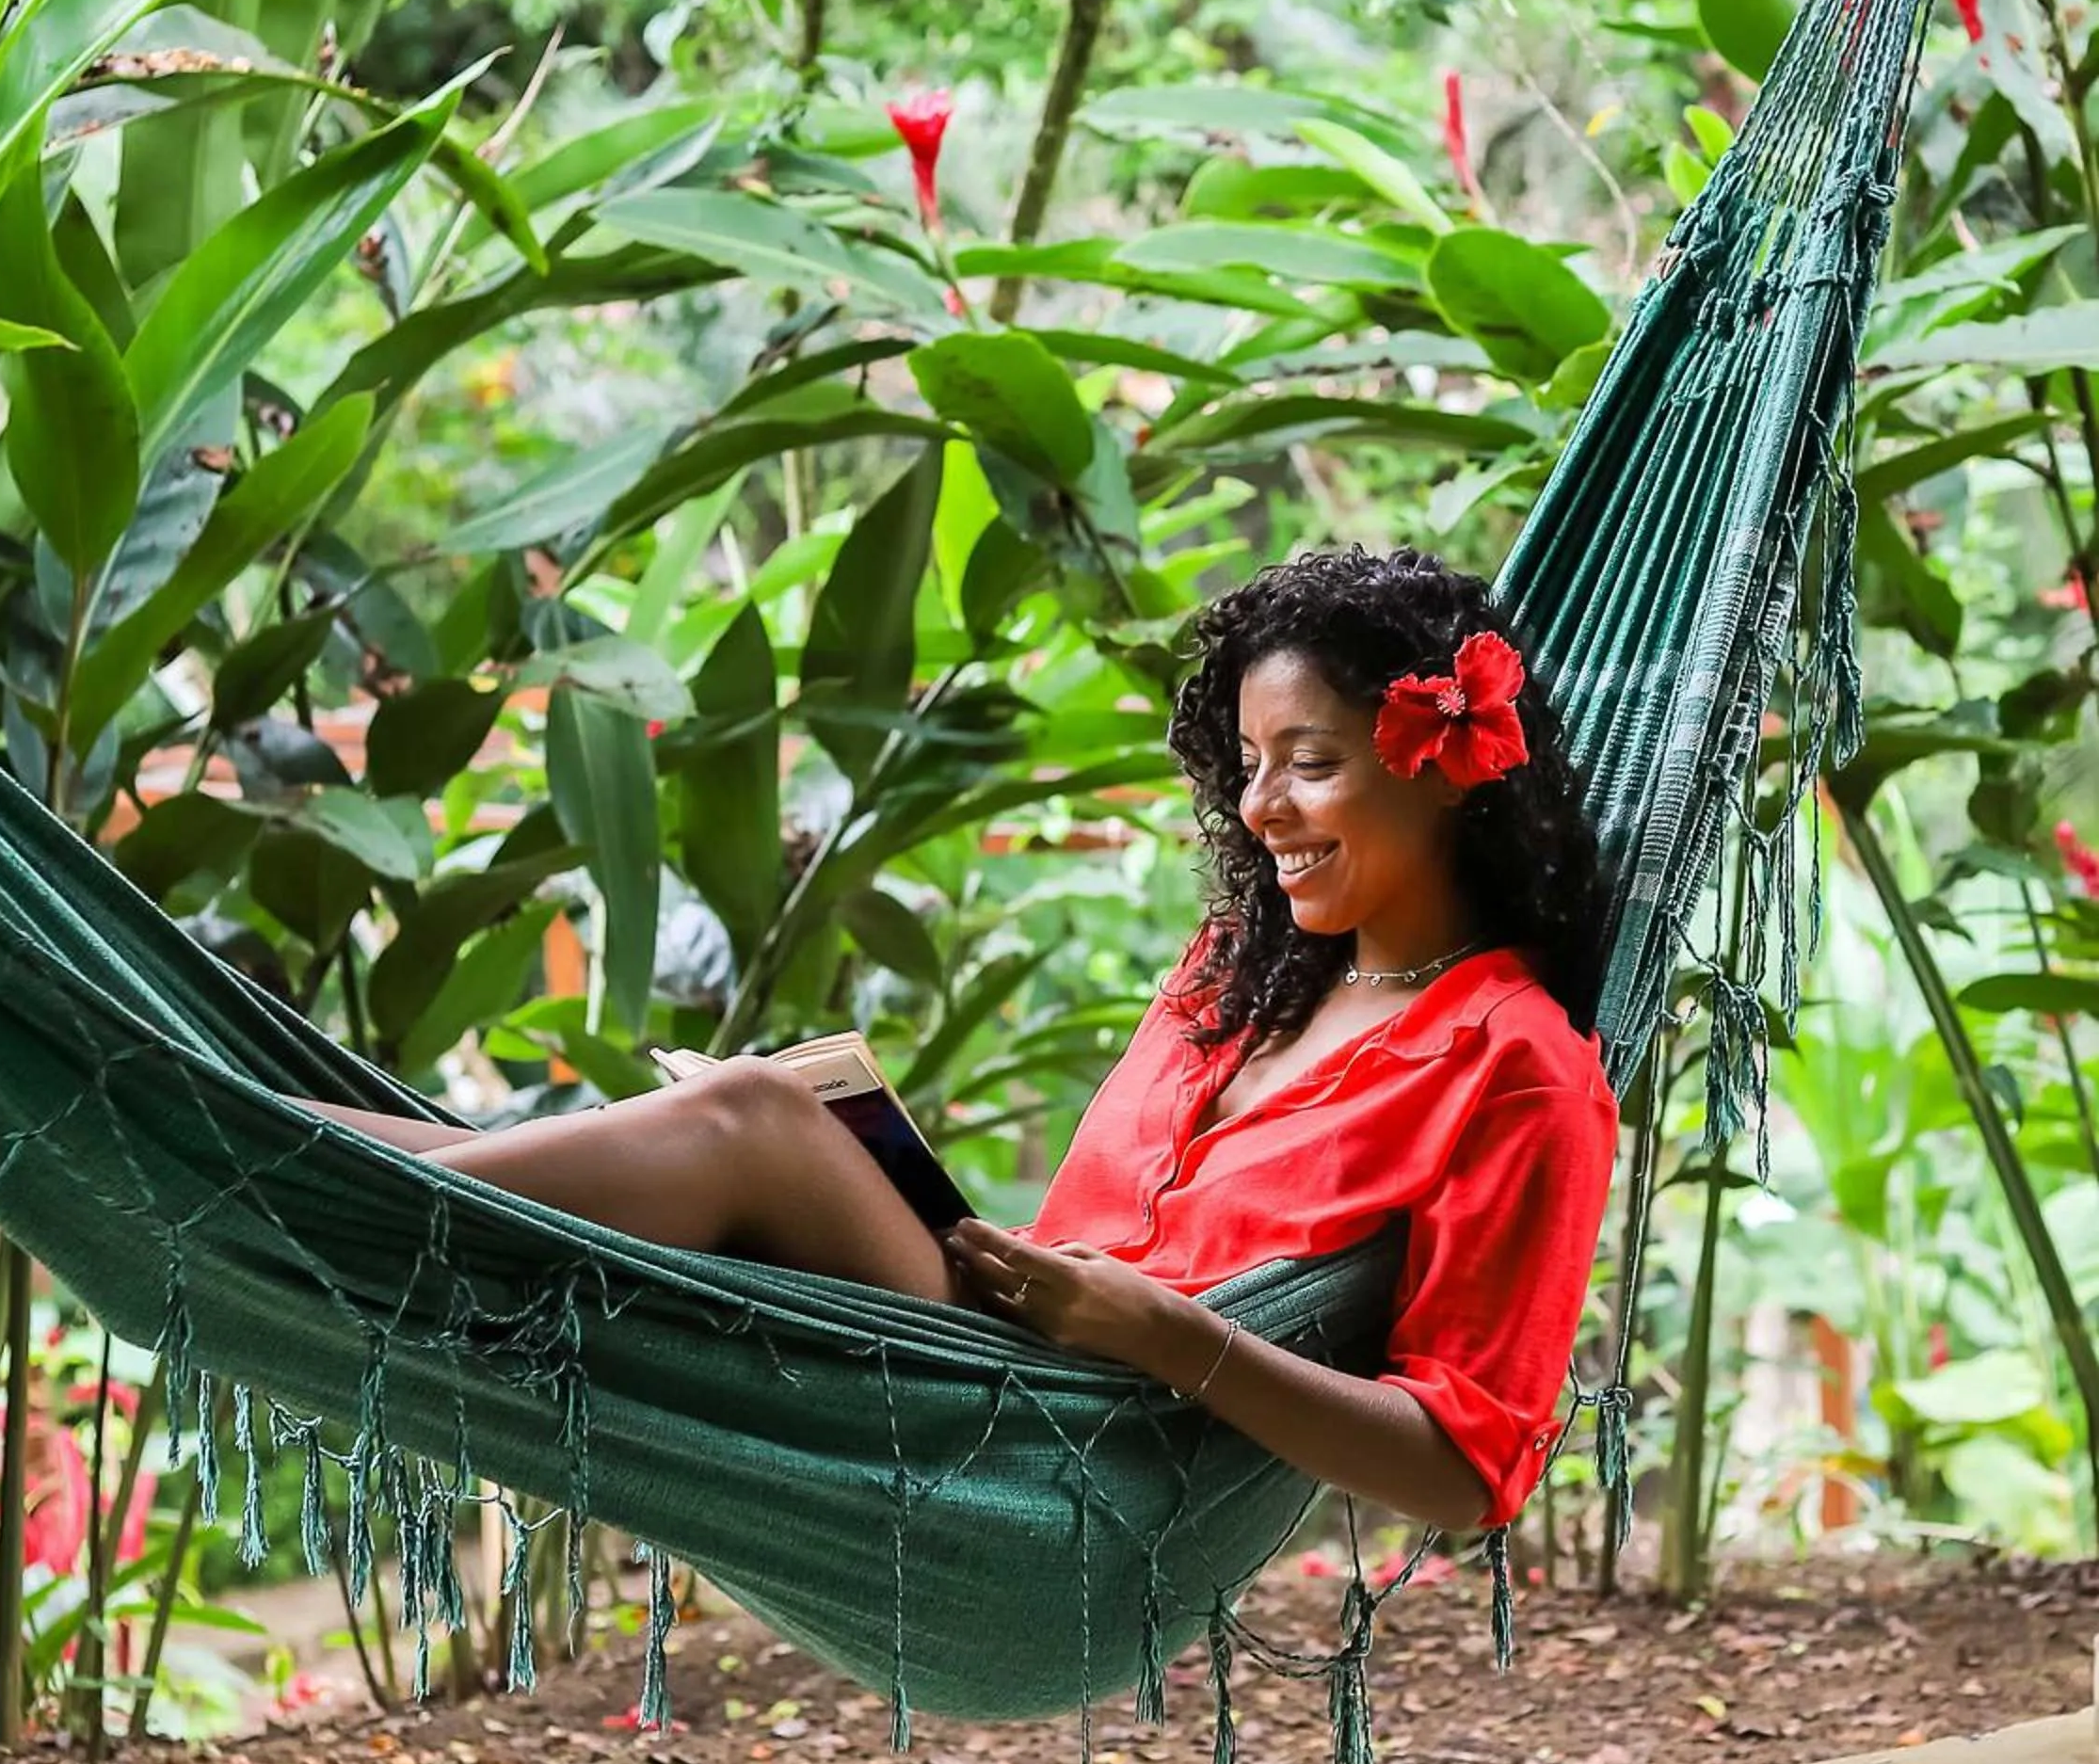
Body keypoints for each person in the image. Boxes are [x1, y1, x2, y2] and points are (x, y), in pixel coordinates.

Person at [308, 548, 1620, 1537]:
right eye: (1248, 764)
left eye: (1310, 762)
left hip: (1066, 1450)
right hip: (980, 1348)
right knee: (651, 1130)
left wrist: (1172, 1339)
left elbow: (1467, 1474)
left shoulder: (1517, 1068)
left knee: (752, 1120)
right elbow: (1086, 1241)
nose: (1260, 806)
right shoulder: (1237, 974)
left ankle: (294, 1187)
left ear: (1444, 767)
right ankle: (268, 1136)